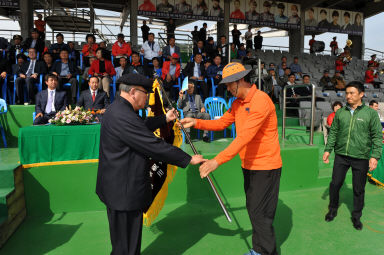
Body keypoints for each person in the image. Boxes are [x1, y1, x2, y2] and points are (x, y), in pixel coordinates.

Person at [96, 73, 205, 255]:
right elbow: (153, 145)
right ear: (133, 92)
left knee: (125, 243)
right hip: (124, 192)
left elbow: (141, 125)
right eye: (145, 93)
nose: (147, 97)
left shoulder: (119, 109)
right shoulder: (123, 115)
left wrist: (164, 119)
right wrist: (188, 158)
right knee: (126, 247)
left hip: (119, 188)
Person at [180, 62, 282, 255]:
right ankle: (263, 250)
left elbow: (244, 138)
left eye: (229, 84)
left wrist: (216, 161)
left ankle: (262, 252)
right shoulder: (237, 104)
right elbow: (222, 123)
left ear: (240, 80)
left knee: (260, 214)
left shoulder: (261, 101)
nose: (227, 88)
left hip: (266, 166)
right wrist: (196, 122)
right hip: (249, 165)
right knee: (254, 210)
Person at [323, 81, 382, 230]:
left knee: (358, 189)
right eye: (346, 93)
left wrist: (374, 156)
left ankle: (356, 216)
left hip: (361, 157)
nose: (347, 96)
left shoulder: (371, 114)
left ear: (361, 94)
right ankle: (332, 209)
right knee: (335, 184)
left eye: (351, 93)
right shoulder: (341, 113)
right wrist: (328, 149)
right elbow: (334, 132)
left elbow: (376, 136)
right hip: (341, 155)